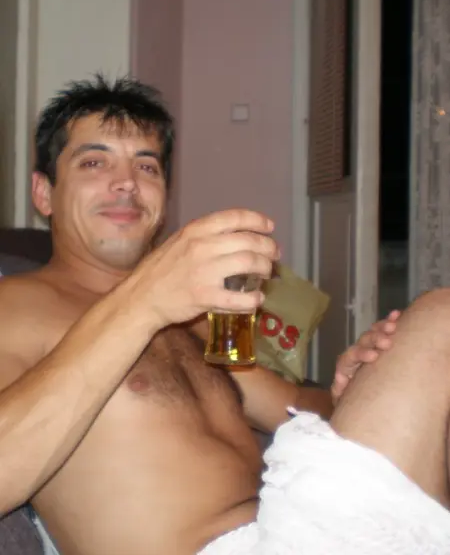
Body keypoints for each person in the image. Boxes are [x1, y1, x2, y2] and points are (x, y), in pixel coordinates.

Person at [0, 74, 446, 555]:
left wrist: (353, 390)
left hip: (287, 526)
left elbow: (291, 404)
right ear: (43, 193)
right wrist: (143, 301)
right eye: (94, 162)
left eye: (147, 166)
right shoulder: (16, 305)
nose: (127, 182)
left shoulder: (192, 318)